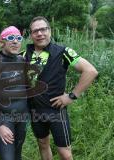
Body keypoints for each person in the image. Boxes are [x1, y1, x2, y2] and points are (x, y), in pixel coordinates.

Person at [25, 16, 98, 160]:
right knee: (42, 144)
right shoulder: (24, 54)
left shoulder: (63, 52)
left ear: (49, 31)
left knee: (65, 153)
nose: (40, 34)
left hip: (56, 110)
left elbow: (90, 71)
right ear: (31, 35)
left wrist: (71, 96)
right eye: (35, 31)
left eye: (43, 29)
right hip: (35, 111)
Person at [0, 26, 28, 160]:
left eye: (18, 38)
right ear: (2, 42)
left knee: (18, 155)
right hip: (5, 119)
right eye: (10, 38)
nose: (15, 41)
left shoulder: (22, 61)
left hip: (22, 118)